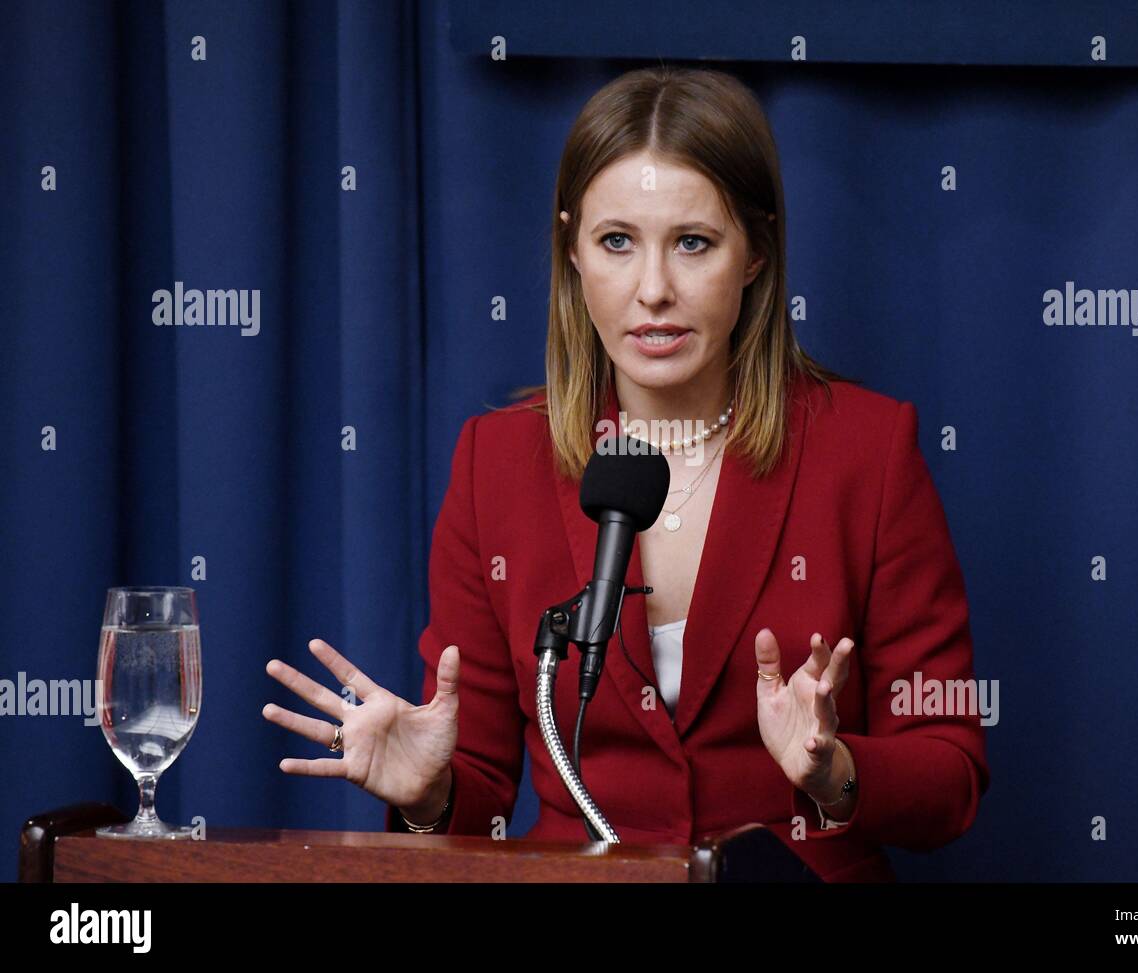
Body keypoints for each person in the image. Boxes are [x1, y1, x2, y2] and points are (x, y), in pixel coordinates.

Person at [263, 66, 989, 882]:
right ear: (572, 248)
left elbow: (952, 775)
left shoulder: (868, 451)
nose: (653, 290)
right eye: (617, 242)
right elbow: (481, 791)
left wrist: (836, 770)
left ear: (754, 252)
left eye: (694, 242)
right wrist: (430, 794)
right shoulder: (494, 463)